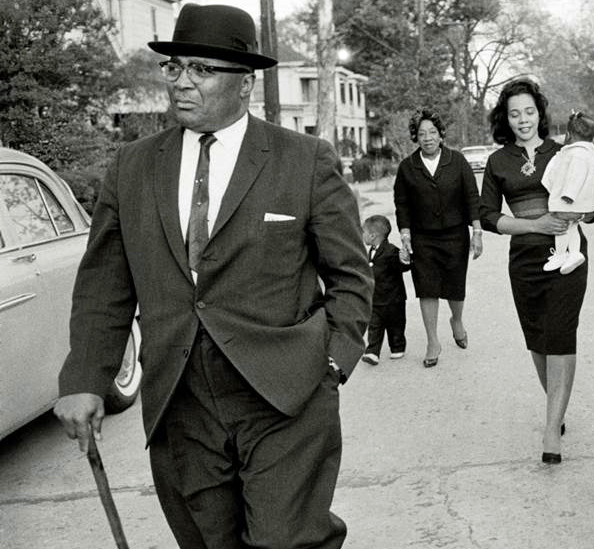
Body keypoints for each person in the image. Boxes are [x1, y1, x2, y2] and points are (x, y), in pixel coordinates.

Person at [52, 5, 372, 548]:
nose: (182, 83)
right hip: (181, 399)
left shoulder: (303, 160)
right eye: (175, 68)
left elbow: (350, 272)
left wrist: (333, 360)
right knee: (206, 540)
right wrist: (84, 379)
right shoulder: (132, 168)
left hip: (284, 393)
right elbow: (105, 285)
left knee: (286, 539)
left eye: (202, 70)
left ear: (245, 83)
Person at [480, 78, 594, 463]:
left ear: (540, 113)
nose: (523, 119)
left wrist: (580, 212)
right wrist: (534, 225)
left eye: (529, 111)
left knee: (560, 334)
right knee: (537, 339)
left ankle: (551, 429)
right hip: (525, 260)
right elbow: (486, 216)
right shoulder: (499, 162)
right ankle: (556, 409)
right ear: (506, 119)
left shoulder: (565, 152)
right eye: (515, 114)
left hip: (568, 255)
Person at [393, 108, 483, 368]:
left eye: (432, 132)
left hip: (455, 234)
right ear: (416, 137)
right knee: (426, 289)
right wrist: (405, 234)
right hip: (423, 238)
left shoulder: (457, 161)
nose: (428, 138)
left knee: (455, 287)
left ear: (441, 134)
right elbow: (402, 204)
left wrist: (476, 231)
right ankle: (433, 341)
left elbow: (471, 197)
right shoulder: (408, 167)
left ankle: (456, 319)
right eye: (421, 133)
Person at [540, 111, 594, 274]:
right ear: (593, 138)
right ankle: (574, 253)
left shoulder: (577, 154)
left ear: (568, 134)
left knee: (561, 224)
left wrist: (568, 194)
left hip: (571, 201)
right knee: (572, 226)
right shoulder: (590, 153)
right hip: (585, 205)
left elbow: (575, 176)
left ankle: (560, 254)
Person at [362, 215, 412, 366]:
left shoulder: (391, 251)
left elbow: (402, 266)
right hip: (376, 299)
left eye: (363, 231)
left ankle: (397, 346)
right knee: (374, 325)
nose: (362, 235)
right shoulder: (370, 251)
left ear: (373, 235)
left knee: (395, 324)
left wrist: (405, 260)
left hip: (393, 299)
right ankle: (372, 352)